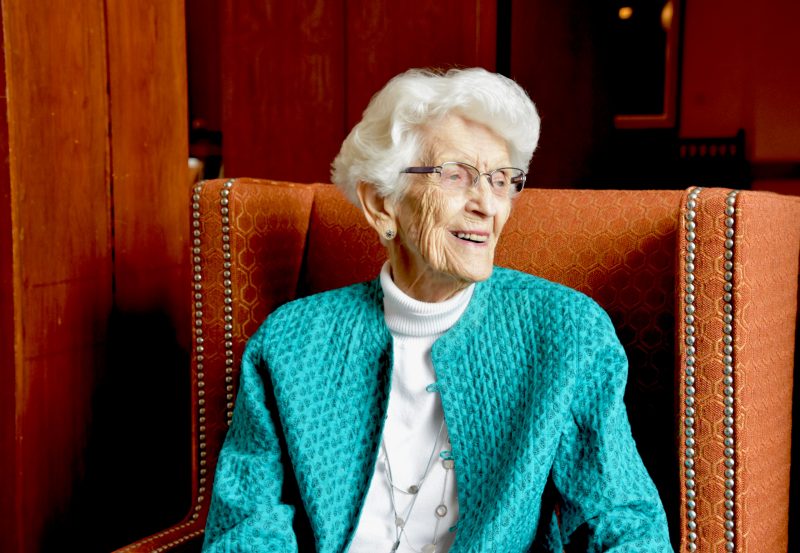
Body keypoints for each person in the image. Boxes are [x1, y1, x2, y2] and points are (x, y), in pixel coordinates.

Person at [202, 68, 671, 552]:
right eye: (456, 176)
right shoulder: (290, 343)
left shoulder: (565, 333)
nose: (488, 205)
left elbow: (620, 518)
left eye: (502, 179)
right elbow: (245, 525)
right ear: (382, 203)